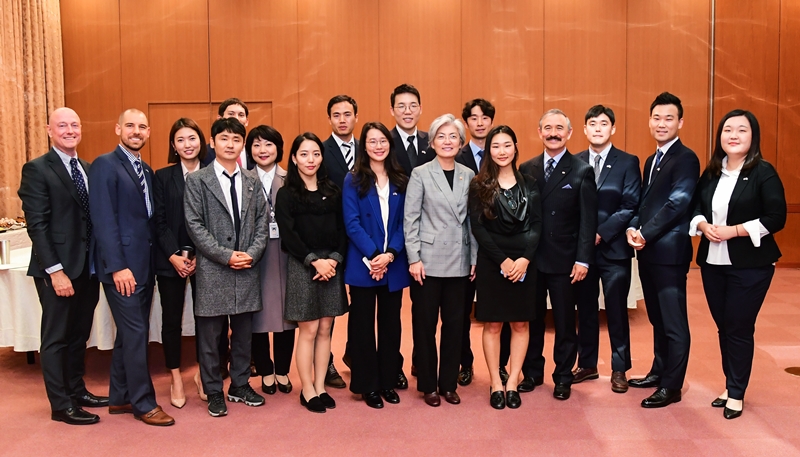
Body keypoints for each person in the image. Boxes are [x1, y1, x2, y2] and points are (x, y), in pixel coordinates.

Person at [690, 109, 786, 419]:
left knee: (739, 326)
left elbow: (776, 217)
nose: (734, 135)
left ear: (752, 137)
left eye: (742, 130)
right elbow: (696, 208)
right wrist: (704, 227)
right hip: (713, 262)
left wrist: (735, 231)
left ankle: (737, 392)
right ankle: (731, 383)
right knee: (724, 327)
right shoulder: (713, 172)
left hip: (751, 264)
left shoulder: (763, 172)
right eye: (728, 129)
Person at [18, 107, 106, 425]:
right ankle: (60, 404)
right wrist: (55, 271)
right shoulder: (37, 169)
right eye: (62, 125)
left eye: (75, 125)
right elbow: (37, 226)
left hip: (86, 268)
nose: (70, 130)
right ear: (49, 130)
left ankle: (76, 390)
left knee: (78, 334)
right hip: (57, 270)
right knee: (56, 338)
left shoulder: (85, 167)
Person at [89, 108, 174, 426]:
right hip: (122, 269)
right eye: (130, 126)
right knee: (137, 332)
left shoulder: (147, 171)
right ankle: (144, 402)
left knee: (128, 334)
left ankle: (120, 396)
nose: (136, 131)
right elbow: (103, 220)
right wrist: (117, 267)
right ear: (117, 129)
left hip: (144, 267)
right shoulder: (104, 165)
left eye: (142, 127)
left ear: (148, 132)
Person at [184, 117, 268, 417]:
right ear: (213, 142)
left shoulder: (252, 180)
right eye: (224, 139)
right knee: (210, 337)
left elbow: (262, 222)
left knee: (243, 333)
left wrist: (252, 253)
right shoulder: (197, 180)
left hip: (246, 266)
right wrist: (225, 255)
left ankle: (241, 385)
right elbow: (194, 225)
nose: (230, 144)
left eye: (236, 139)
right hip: (213, 269)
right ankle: (213, 390)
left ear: (241, 144)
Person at [626, 92, 700, 408]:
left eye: (669, 118)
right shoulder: (651, 159)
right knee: (657, 318)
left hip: (669, 254)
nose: (661, 123)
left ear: (680, 122)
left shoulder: (686, 158)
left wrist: (645, 232)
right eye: (657, 117)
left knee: (673, 322)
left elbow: (678, 203)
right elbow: (646, 202)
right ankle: (659, 370)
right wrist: (634, 226)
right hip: (649, 252)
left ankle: (672, 385)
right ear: (649, 121)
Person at [519, 109, 597, 401]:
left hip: (566, 261)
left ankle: (563, 376)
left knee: (565, 322)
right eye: (548, 128)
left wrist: (583, 259)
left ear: (569, 133)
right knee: (532, 319)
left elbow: (588, 221)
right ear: (539, 133)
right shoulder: (526, 168)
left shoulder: (581, 170)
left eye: (559, 128)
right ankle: (533, 372)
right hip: (533, 259)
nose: (553, 133)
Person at [404, 113, 477, 407]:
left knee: (455, 325)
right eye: (441, 137)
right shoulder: (421, 173)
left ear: (461, 142)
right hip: (427, 261)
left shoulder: (468, 174)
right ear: (432, 141)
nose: (447, 142)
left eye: (453, 137)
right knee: (425, 325)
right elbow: (411, 220)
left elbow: (472, 221)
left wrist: (474, 257)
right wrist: (414, 258)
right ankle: (428, 384)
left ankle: (448, 383)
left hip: (459, 259)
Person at [469, 125, 542, 409]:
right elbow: (479, 228)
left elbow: (536, 225)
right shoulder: (479, 184)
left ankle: (512, 381)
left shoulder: (530, 182)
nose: (502, 151)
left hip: (525, 262)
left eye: (507, 145)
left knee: (521, 323)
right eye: (496, 146)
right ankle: (495, 383)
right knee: (494, 324)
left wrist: (524, 259)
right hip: (493, 262)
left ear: (515, 147)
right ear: (489, 150)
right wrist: (503, 260)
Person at [275, 132, 348, 413]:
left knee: (326, 328)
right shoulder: (287, 193)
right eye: (304, 154)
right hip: (303, 266)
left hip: (331, 266)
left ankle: (320, 385)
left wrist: (334, 260)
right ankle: (306, 389)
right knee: (308, 329)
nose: (310, 160)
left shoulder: (333, 190)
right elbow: (289, 236)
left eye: (316, 154)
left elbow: (343, 230)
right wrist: (314, 261)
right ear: (294, 158)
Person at [342, 122, 410, 409]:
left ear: (389, 145)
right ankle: (367, 384)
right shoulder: (353, 179)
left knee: (391, 326)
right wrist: (373, 255)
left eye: (383, 141)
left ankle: (387, 380)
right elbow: (352, 223)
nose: (378, 146)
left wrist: (390, 255)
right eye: (372, 141)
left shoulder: (400, 179)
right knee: (362, 327)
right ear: (364, 146)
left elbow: (406, 222)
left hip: (392, 264)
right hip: (363, 265)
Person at [574, 105, 641, 393]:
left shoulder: (627, 162)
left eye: (604, 123)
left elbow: (630, 205)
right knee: (585, 310)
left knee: (616, 310)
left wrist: (599, 233)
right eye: (592, 123)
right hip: (583, 254)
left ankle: (619, 368)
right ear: (585, 129)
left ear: (612, 129)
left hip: (614, 251)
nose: (598, 128)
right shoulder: (574, 162)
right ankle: (587, 364)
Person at [457, 98, 513, 387]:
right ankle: (464, 363)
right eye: (473, 118)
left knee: (499, 312)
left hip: (496, 251)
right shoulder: (456, 154)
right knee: (462, 312)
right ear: (466, 123)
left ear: (492, 121)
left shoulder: (503, 155)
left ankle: (501, 365)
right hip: (464, 250)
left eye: (485, 118)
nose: (479, 123)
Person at [153, 118, 207, 408]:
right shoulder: (162, 177)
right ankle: (175, 375)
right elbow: (158, 221)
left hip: (206, 260)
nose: (188, 145)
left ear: (201, 141)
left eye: (192, 138)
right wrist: (174, 255)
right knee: (171, 320)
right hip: (169, 259)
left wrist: (201, 255)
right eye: (181, 140)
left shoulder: (212, 174)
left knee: (206, 320)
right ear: (173, 146)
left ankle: (201, 373)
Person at [245, 125, 297, 396]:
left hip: (287, 254)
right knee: (257, 313)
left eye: (268, 145)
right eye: (256, 145)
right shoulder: (242, 178)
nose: (262, 150)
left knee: (288, 314)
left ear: (279, 148)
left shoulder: (292, 178)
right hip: (256, 256)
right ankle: (265, 370)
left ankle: (283, 370)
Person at [320, 94, 360, 389]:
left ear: (356, 117)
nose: (342, 119)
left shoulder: (370, 148)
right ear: (330, 119)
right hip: (331, 238)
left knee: (360, 302)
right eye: (337, 115)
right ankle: (327, 362)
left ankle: (355, 353)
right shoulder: (320, 151)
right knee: (330, 305)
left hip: (361, 238)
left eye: (347, 114)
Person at [391, 84, 435, 176]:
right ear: (392, 111)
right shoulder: (386, 141)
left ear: (420, 109)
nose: (408, 111)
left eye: (413, 106)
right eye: (401, 106)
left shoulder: (431, 140)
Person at [201, 98, 250, 167]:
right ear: (219, 118)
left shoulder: (254, 151)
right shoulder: (204, 153)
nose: (236, 118)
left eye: (241, 115)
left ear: (247, 121)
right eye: (231, 114)